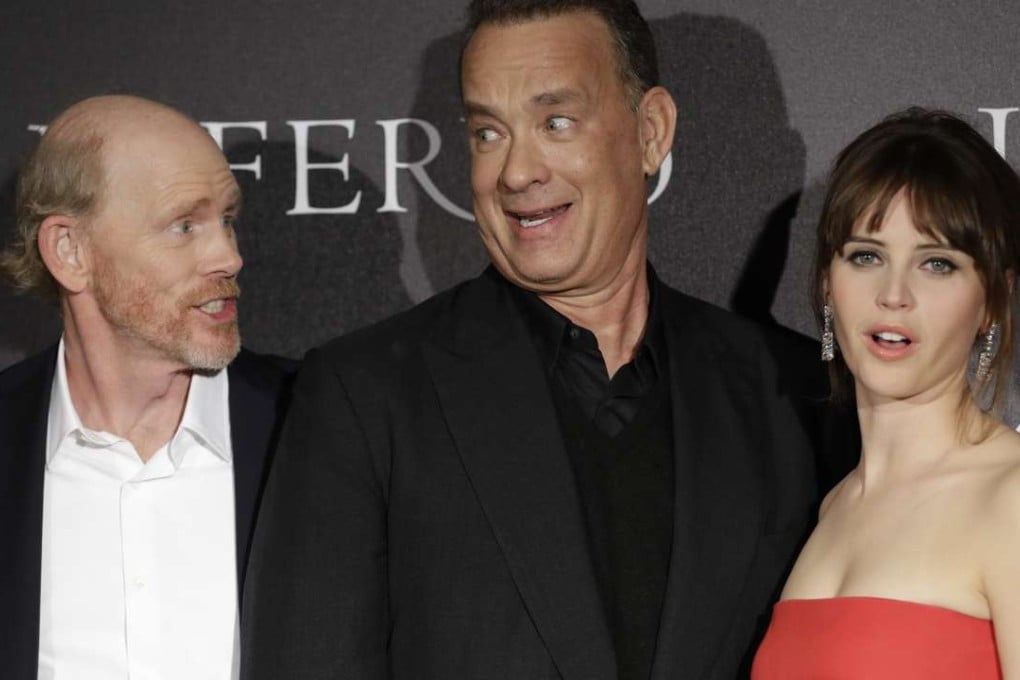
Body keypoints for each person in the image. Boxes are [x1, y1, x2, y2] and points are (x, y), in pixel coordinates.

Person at [243, 1, 837, 678]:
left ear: (650, 131)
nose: (516, 172)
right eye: (488, 133)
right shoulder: (366, 397)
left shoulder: (789, 393)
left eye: (555, 122)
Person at [0, 95, 294, 680]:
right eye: (184, 226)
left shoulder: (317, 423)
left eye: (227, 220)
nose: (229, 256)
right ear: (69, 251)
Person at [752, 108, 1020, 679]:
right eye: (867, 256)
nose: (893, 293)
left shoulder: (1011, 497)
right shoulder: (834, 507)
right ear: (828, 283)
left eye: (937, 264)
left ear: (992, 301)